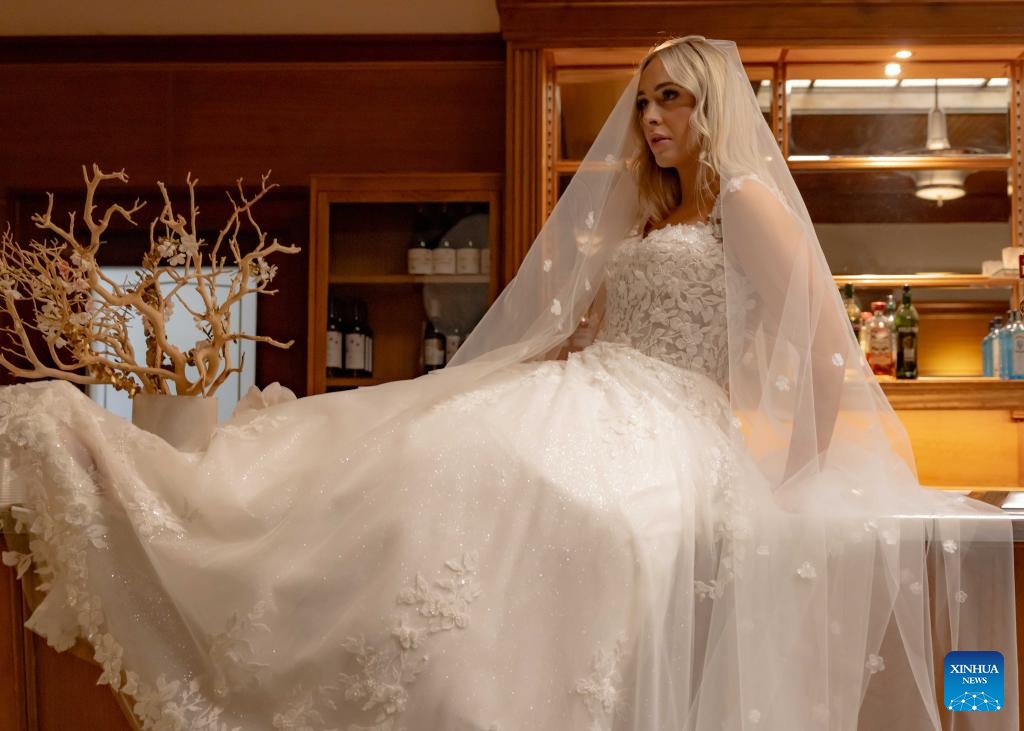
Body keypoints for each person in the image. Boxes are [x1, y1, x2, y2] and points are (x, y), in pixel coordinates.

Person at [0, 37, 1017, 730]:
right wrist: (478, 375)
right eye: (645, 96)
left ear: (712, 104)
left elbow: (823, 351)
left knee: (524, 496)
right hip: (596, 387)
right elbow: (583, 329)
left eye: (670, 96)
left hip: (667, 421)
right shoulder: (651, 220)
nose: (650, 115)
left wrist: (801, 481)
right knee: (426, 457)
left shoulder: (744, 202)